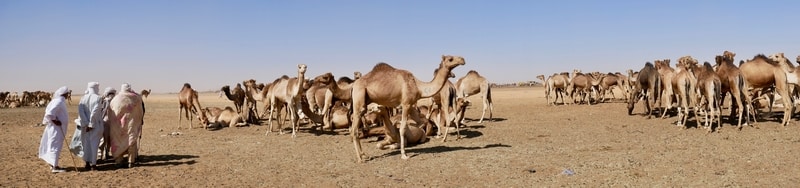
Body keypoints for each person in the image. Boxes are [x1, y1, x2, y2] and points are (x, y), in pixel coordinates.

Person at [71, 82, 104, 170]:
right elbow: (95, 111)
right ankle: (93, 164)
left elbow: (81, 111)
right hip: (95, 125)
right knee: (94, 145)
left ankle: (87, 163)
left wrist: (85, 123)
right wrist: (91, 124)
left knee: (86, 144)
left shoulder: (83, 98)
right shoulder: (98, 98)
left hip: (84, 126)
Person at [38, 86, 70, 173]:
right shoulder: (58, 101)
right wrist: (55, 121)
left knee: (53, 144)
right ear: (64, 94)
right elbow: (49, 113)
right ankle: (55, 167)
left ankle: (53, 164)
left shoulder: (58, 101)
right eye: (67, 93)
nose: (68, 95)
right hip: (56, 128)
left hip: (56, 128)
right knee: (55, 145)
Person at [99, 87, 116, 161]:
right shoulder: (105, 101)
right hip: (105, 122)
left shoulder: (112, 101)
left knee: (108, 140)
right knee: (103, 140)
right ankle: (100, 156)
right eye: (111, 93)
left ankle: (106, 154)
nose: (112, 95)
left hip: (109, 123)